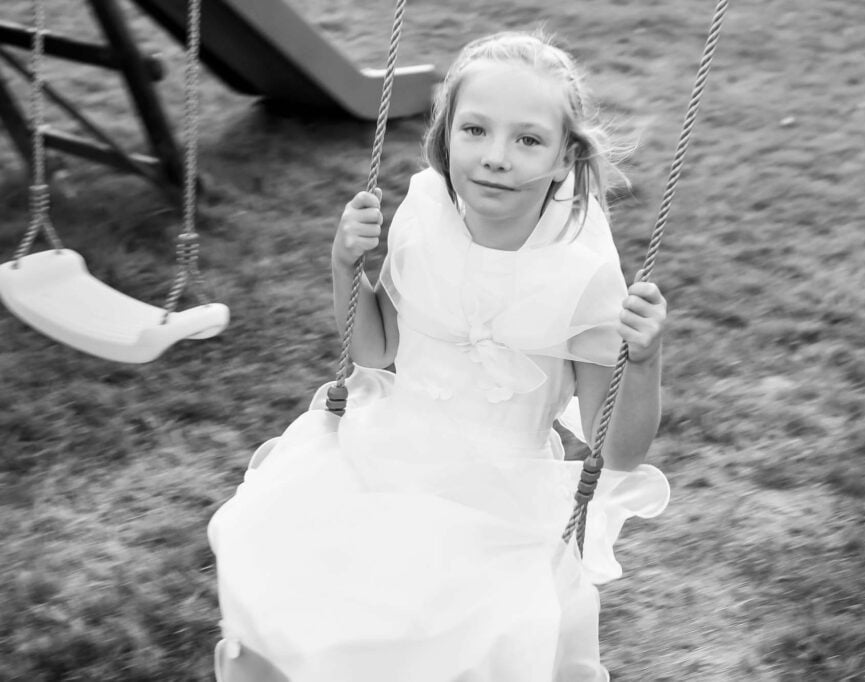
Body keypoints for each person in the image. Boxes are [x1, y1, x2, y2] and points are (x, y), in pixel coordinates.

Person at [208, 30, 671, 682]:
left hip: (497, 501)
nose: (497, 158)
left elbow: (616, 451)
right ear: (447, 133)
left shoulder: (583, 276)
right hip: (384, 455)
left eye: (528, 139)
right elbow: (374, 347)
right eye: (476, 131)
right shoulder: (424, 211)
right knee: (310, 600)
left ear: (566, 157)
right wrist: (346, 266)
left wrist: (644, 362)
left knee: (450, 645)